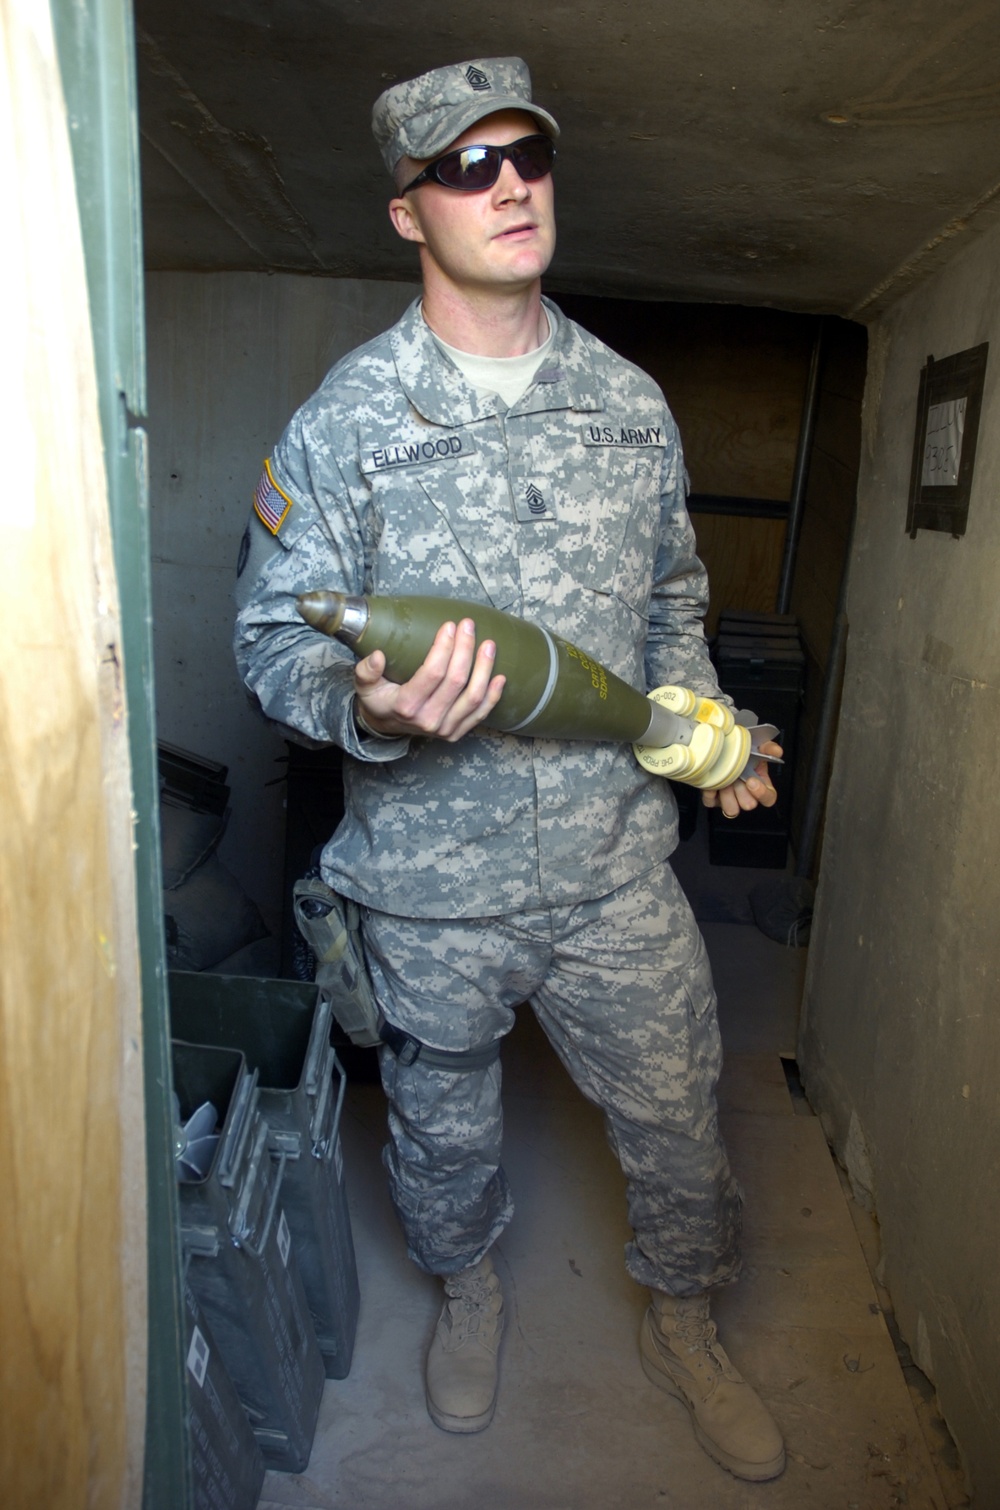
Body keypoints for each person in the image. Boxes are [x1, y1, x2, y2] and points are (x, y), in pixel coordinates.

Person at [234, 56, 785, 1482]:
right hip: (429, 886)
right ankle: (468, 1290)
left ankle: (683, 1316)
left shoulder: (629, 403)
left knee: (678, 1110)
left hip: (613, 862)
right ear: (409, 212)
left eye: (525, 157)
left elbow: (673, 606)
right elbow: (266, 641)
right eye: (467, 169)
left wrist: (707, 727)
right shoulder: (350, 420)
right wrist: (372, 706)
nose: (511, 185)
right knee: (441, 1128)